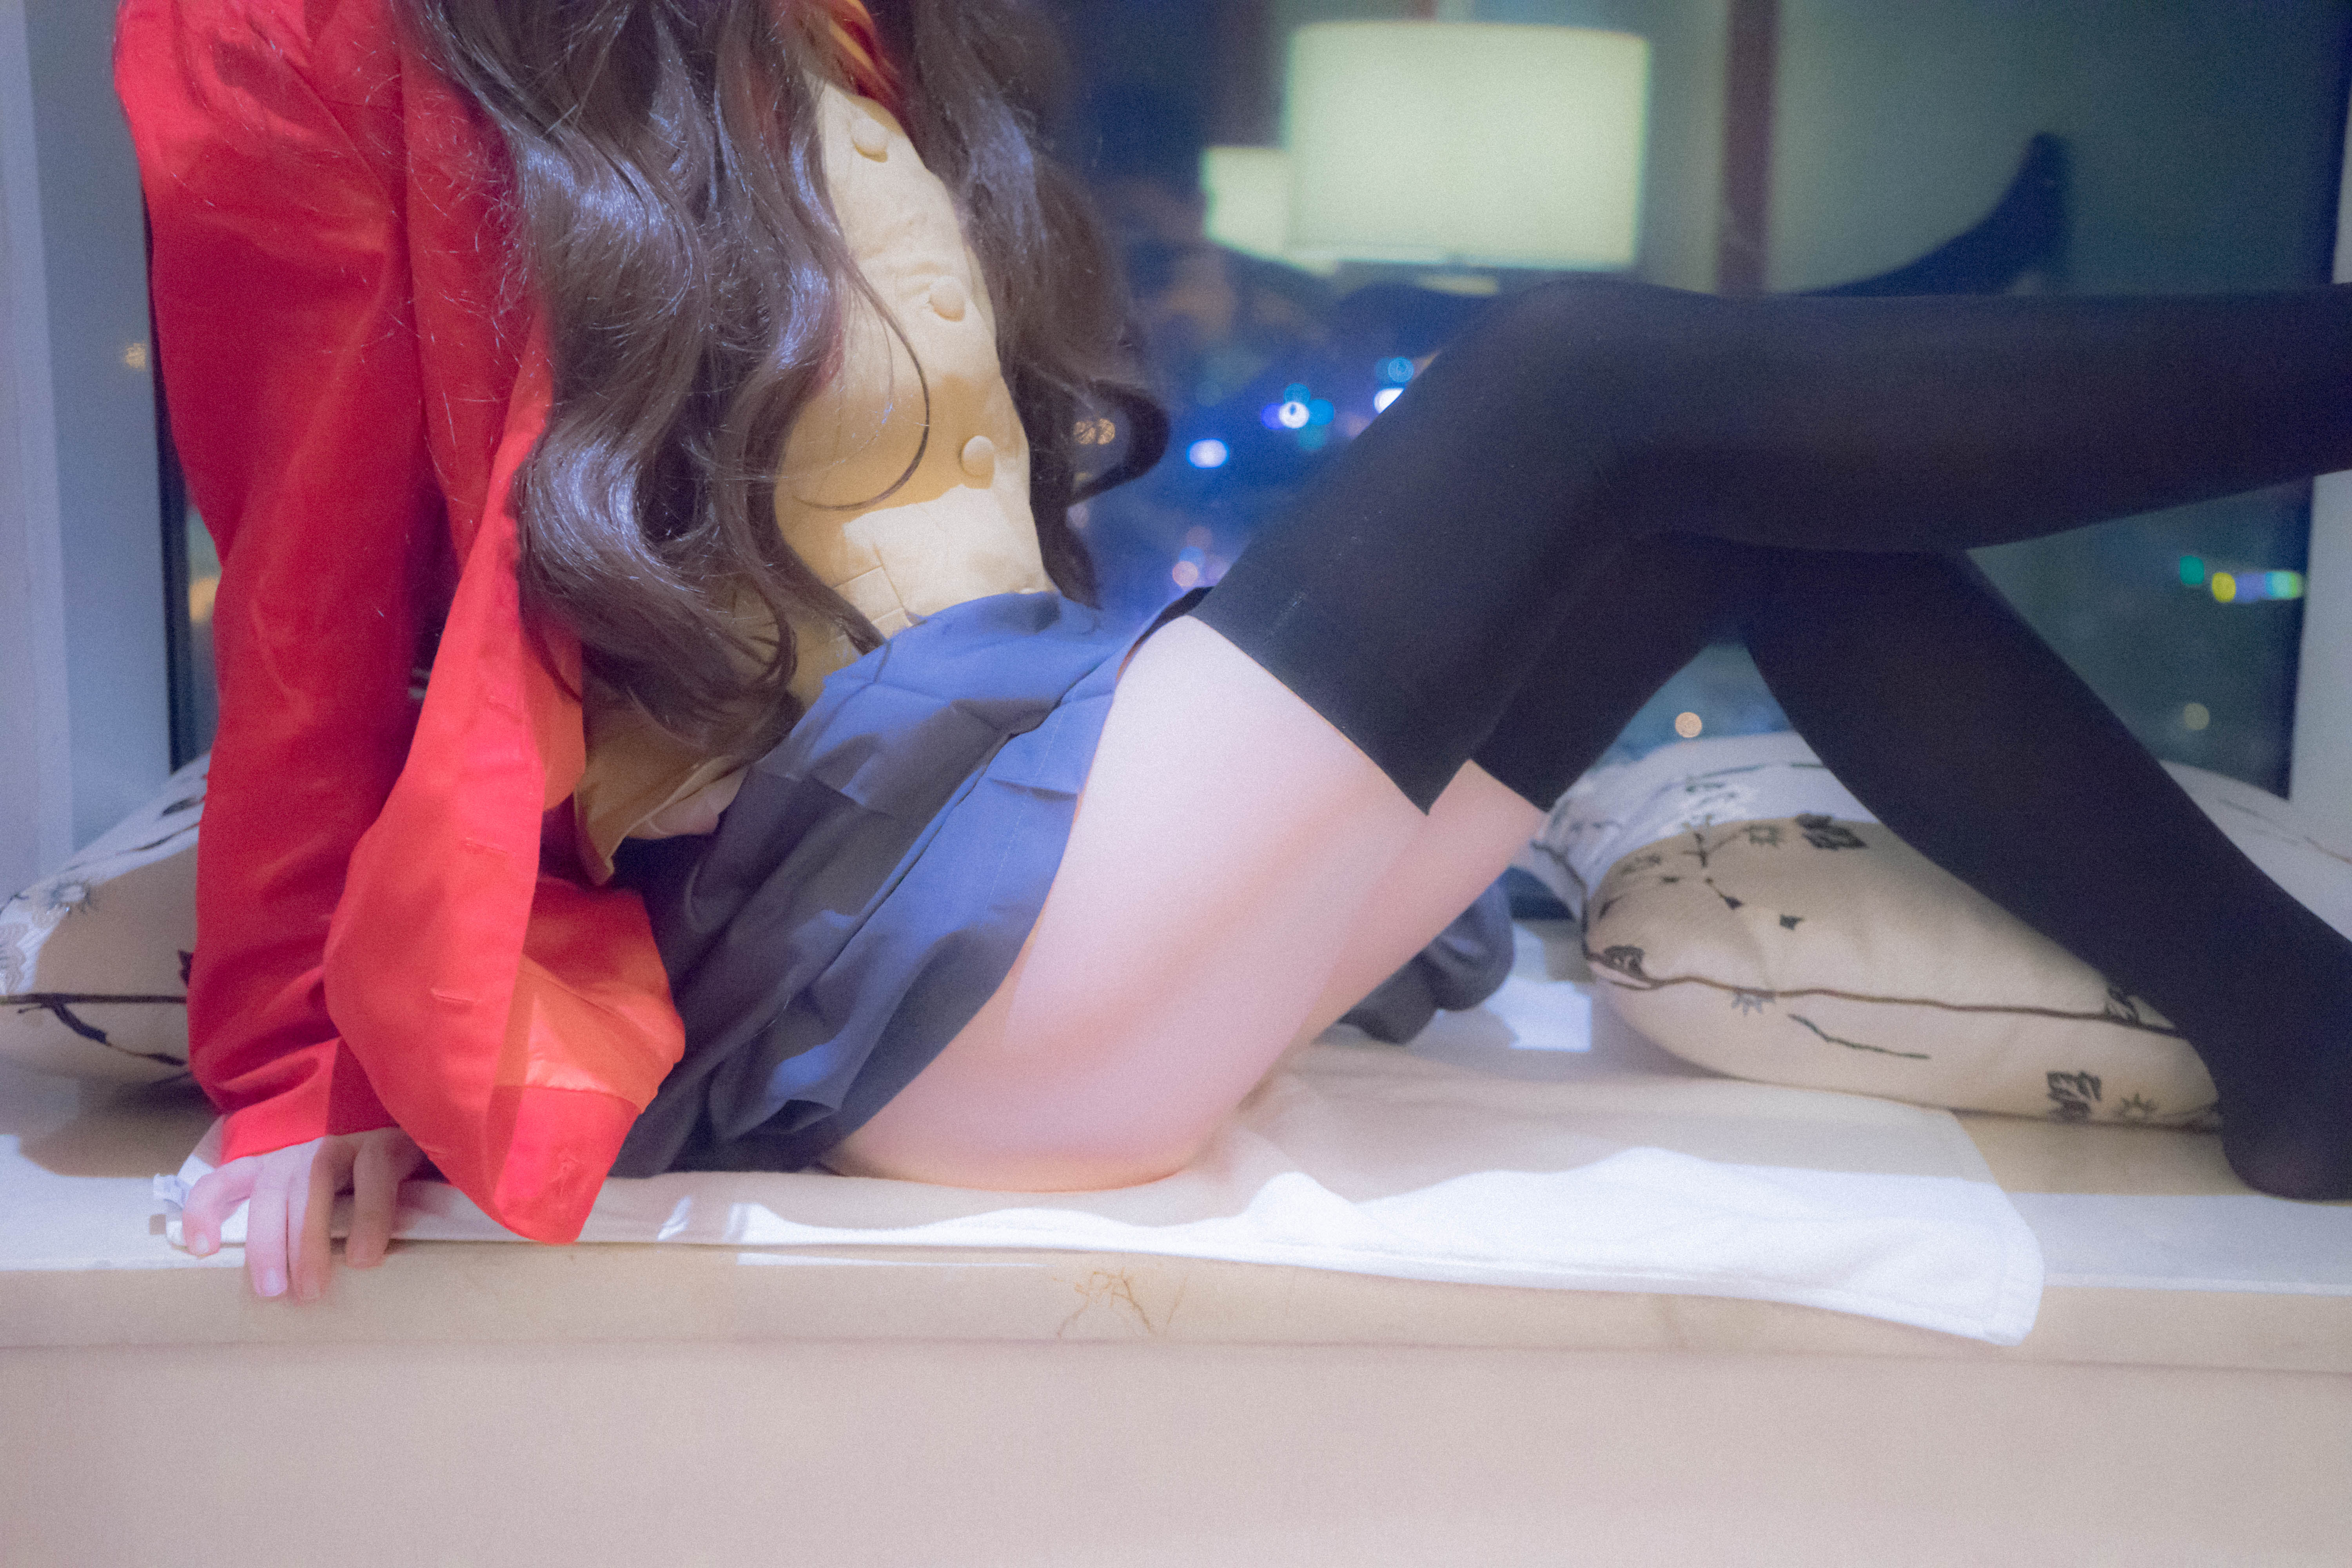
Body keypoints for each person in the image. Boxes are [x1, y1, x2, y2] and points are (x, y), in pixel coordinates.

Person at [119, 0, 2352, 1303]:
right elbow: (304, 565)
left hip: (1038, 829)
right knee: (1575, 378)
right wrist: (299, 1060)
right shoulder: (328, 33)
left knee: (1726, 510)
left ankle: (2306, 1045)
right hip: (869, 954)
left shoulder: (828, 35)